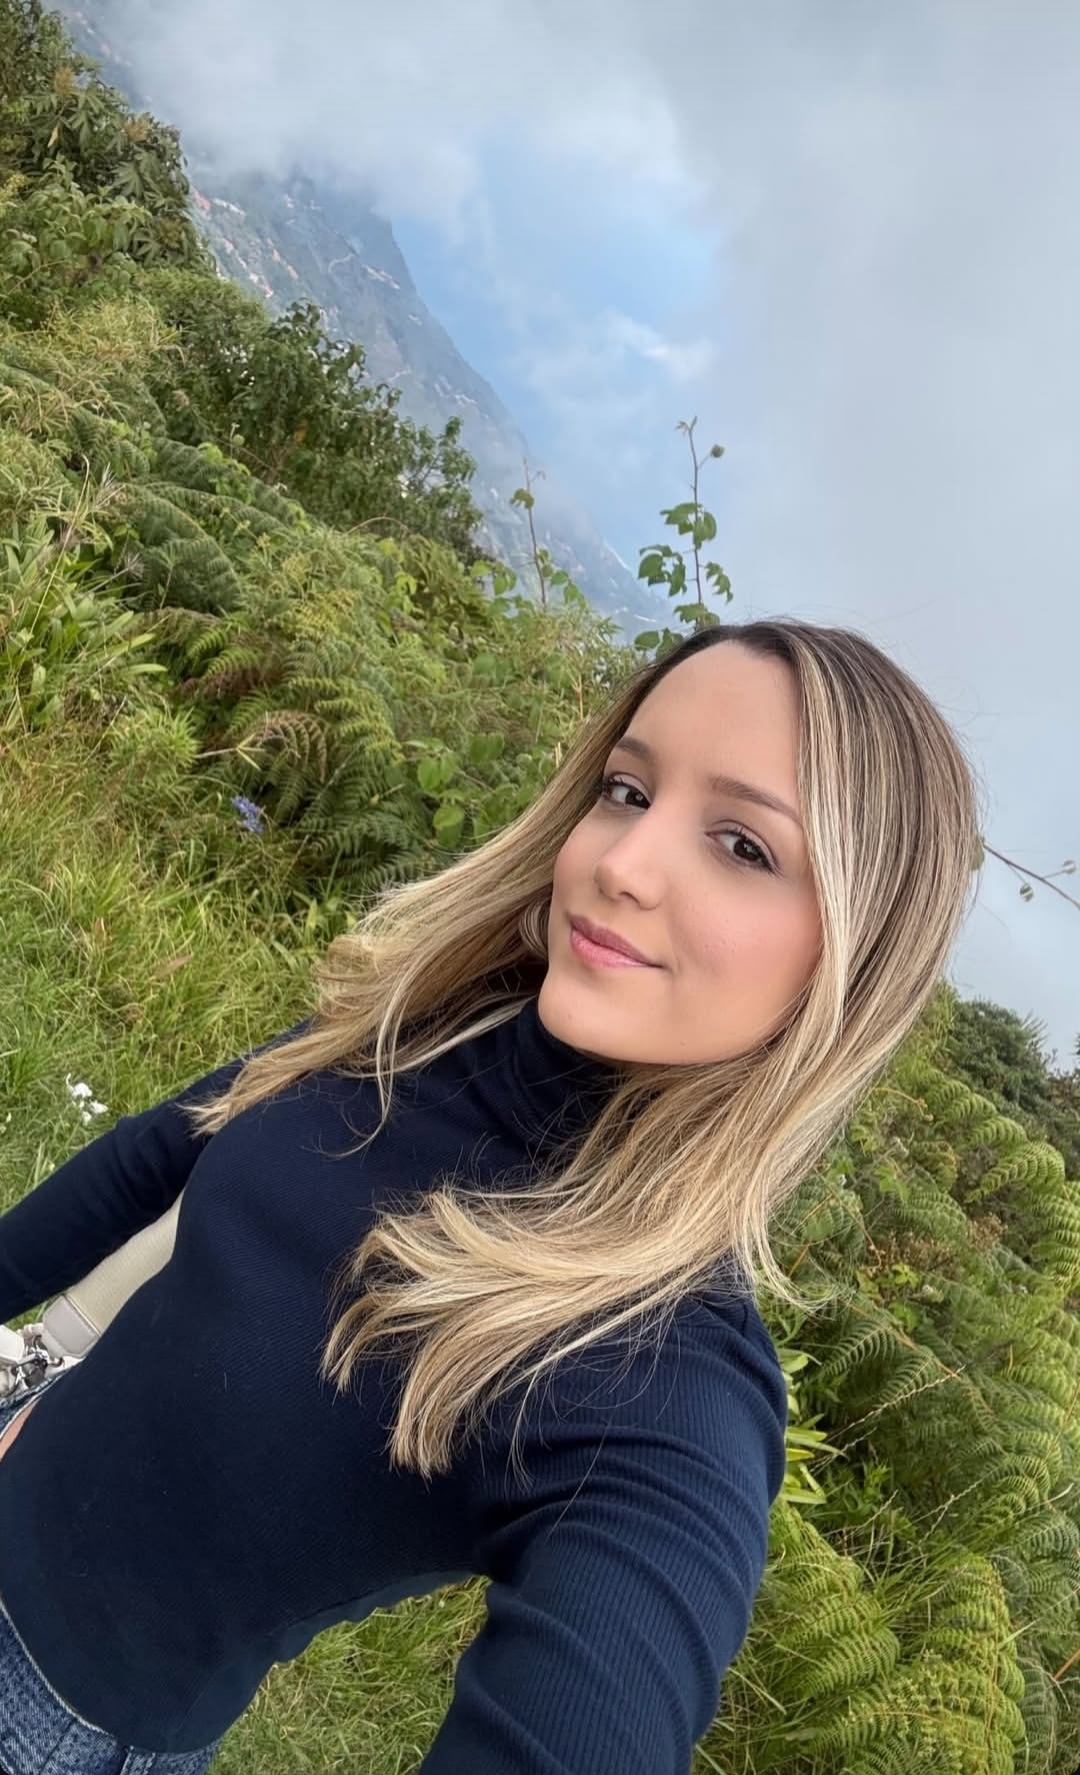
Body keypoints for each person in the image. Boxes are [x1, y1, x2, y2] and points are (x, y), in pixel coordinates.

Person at [0, 618, 980, 1775]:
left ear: (851, 961)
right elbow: (160, 1150)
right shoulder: (426, 1022)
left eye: (742, 844)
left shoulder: (663, 1376)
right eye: (626, 790)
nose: (623, 862)